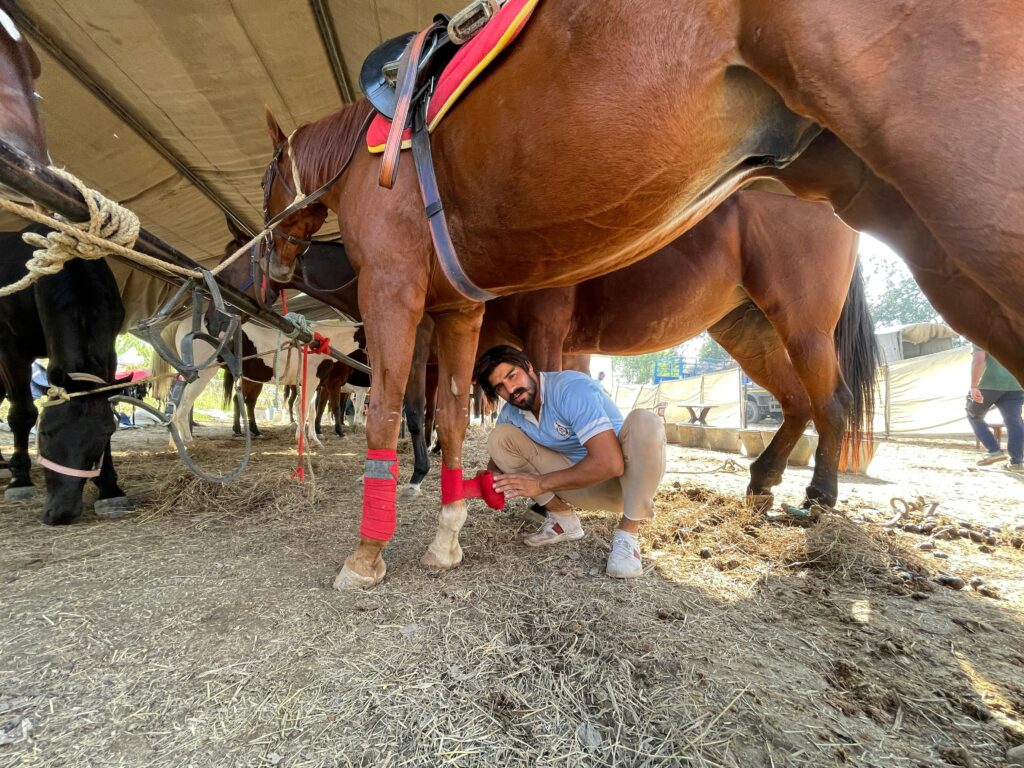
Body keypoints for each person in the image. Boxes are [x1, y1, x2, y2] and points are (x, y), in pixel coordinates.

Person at [473, 345, 666, 578]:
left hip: (624, 485)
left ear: (529, 367)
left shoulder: (570, 388)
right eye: (500, 387)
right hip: (577, 486)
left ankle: (627, 537)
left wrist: (540, 484)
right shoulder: (512, 412)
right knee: (500, 438)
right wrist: (487, 479)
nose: (511, 389)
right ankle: (563, 520)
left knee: (645, 421)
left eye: (512, 376)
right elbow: (497, 462)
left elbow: (611, 463)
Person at [965, 344, 1023, 471]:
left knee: (974, 415)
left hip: (988, 384)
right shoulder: (1016, 332)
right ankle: (1017, 462)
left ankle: (994, 450)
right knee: (1014, 421)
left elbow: (979, 360)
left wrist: (974, 386)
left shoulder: (982, 333)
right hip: (1015, 385)